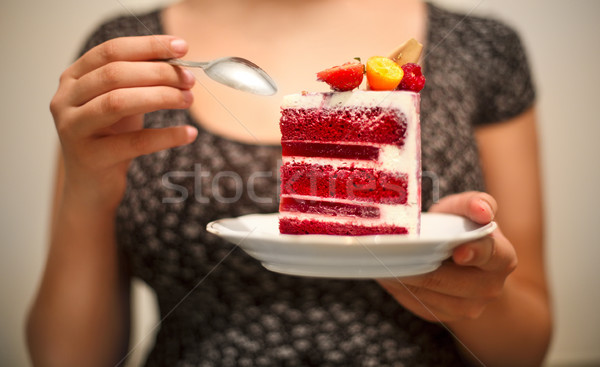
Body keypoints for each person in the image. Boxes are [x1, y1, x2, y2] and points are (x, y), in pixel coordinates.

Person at [26, 0, 552, 366]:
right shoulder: (129, 52)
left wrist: (468, 280)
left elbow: (524, 352)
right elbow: (68, 360)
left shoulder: (484, 47)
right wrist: (88, 186)